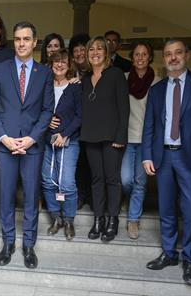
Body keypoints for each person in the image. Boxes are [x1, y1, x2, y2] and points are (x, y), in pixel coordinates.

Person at [142, 39, 191, 286]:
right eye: (167, 54)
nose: (173, 58)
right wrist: (146, 155)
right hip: (163, 156)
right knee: (166, 208)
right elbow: (149, 126)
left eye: (177, 53)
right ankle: (169, 253)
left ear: (186, 55)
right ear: (163, 59)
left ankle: (189, 259)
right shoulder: (156, 90)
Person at [0, 21, 54, 269]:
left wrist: (32, 137)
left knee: (31, 196)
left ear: (35, 42)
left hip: (32, 146)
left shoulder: (44, 73)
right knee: (5, 196)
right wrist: (4, 137)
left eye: (26, 39)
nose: (22, 43)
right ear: (13, 41)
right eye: (17, 39)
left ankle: (28, 245)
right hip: (5, 145)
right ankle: (8, 243)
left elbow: (47, 110)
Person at [81, 36, 129, 242]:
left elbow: (124, 108)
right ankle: (98, 219)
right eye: (91, 49)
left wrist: (120, 136)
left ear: (106, 52)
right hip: (90, 136)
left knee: (112, 179)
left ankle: (112, 219)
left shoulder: (116, 74)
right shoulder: (84, 78)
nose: (95, 52)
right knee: (97, 179)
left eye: (99, 49)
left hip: (112, 137)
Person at [121, 41, 160, 240]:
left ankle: (133, 219)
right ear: (132, 57)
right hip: (127, 137)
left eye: (144, 54)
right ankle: (130, 201)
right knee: (125, 179)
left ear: (150, 57)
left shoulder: (158, 82)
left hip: (147, 140)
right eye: (137, 54)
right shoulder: (124, 79)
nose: (140, 58)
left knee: (140, 182)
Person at [41, 49, 82, 240]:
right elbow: (36, 110)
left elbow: (80, 116)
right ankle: (56, 218)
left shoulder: (75, 87)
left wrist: (65, 134)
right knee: (48, 181)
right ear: (51, 64)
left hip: (68, 141)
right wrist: (46, 120)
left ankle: (69, 220)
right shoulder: (45, 85)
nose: (59, 64)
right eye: (56, 61)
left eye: (63, 61)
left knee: (66, 183)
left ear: (69, 65)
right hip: (48, 140)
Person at [68, 33, 92, 209]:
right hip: (74, 127)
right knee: (77, 163)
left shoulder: (96, 72)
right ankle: (79, 196)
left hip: (92, 126)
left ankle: (90, 197)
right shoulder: (68, 73)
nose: (79, 54)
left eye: (82, 49)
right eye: (75, 51)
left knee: (90, 162)